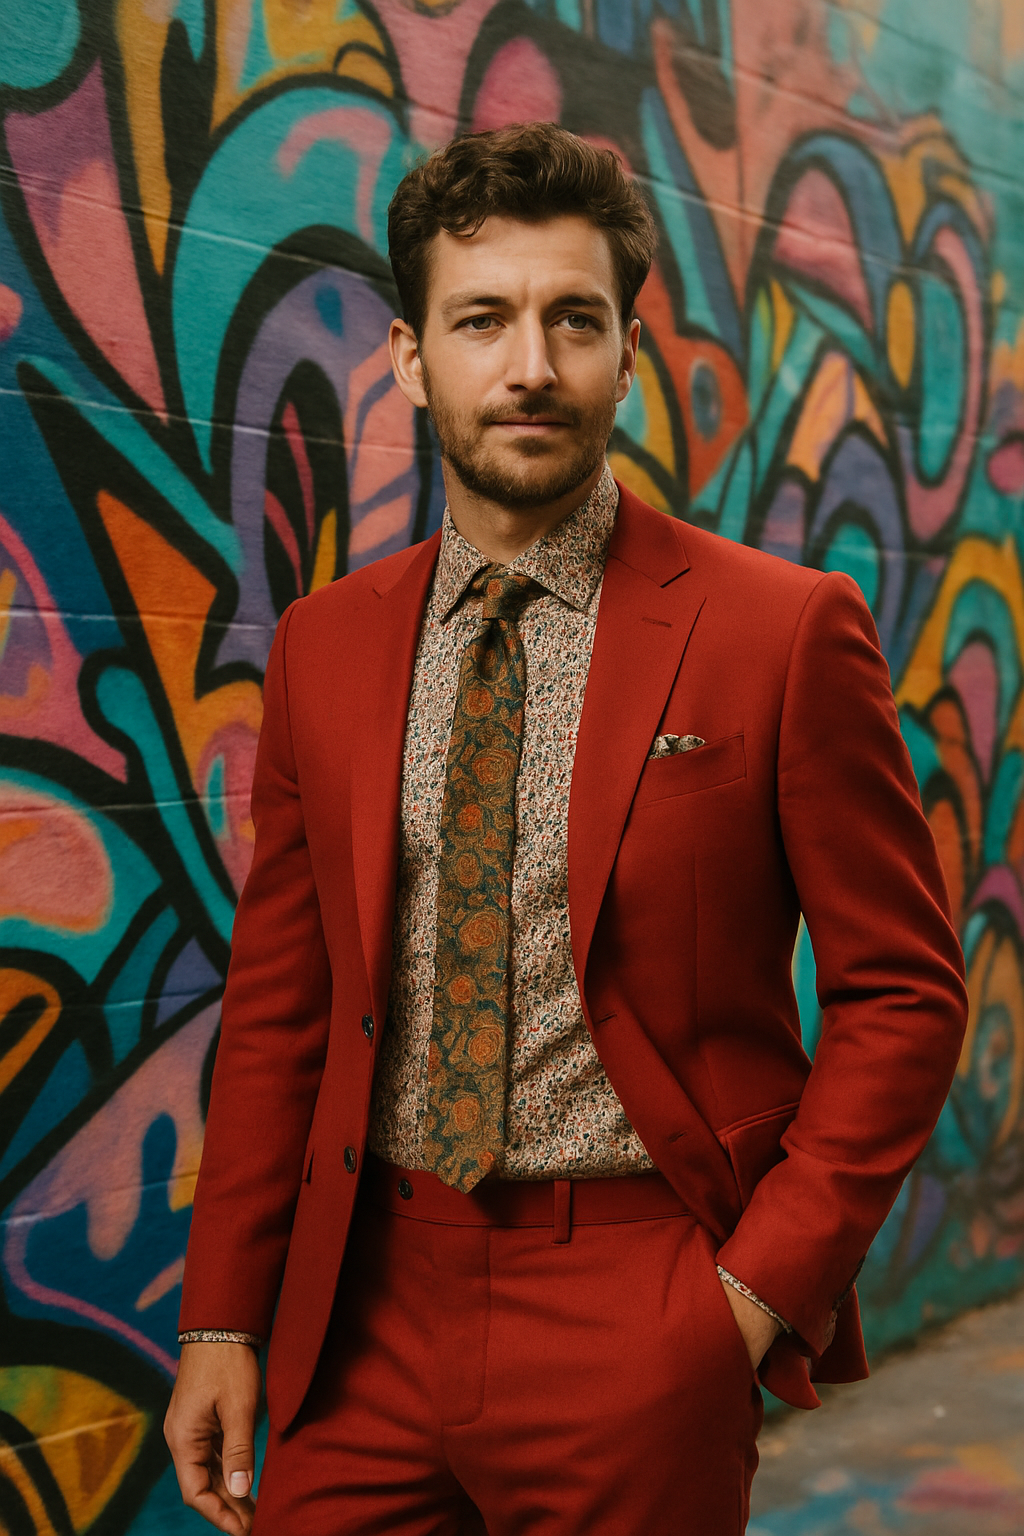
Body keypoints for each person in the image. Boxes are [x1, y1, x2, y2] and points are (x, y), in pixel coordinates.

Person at [165, 123, 968, 1536]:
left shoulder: (779, 634)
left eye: (573, 320)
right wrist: (222, 1316)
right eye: (483, 320)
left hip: (640, 1298)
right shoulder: (325, 649)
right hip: (363, 1314)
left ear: (628, 355)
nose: (530, 365)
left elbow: (904, 994)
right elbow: (283, 1006)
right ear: (414, 358)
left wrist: (748, 1296)